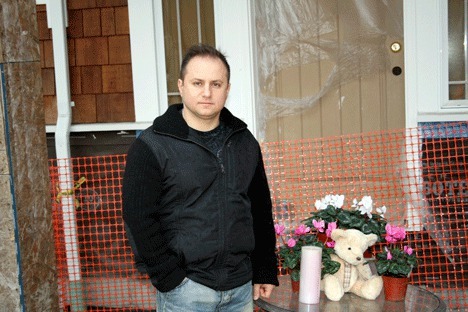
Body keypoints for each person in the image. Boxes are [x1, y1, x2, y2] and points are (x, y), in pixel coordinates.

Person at [122, 43, 279, 311]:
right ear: (181, 86)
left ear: (227, 89)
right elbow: (138, 217)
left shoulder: (244, 142)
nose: (207, 92)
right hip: (186, 292)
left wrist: (264, 269)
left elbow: (260, 209)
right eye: (198, 83)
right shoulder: (152, 146)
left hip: (240, 289)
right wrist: (170, 277)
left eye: (216, 84)